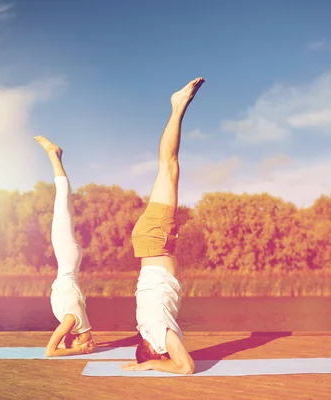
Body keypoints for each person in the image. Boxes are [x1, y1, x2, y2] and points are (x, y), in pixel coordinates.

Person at [121, 77, 205, 374]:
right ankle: (178, 107)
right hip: (156, 243)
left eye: (161, 358)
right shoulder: (149, 328)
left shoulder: (157, 331)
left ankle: (177, 106)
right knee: (169, 169)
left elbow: (185, 368)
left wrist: (148, 368)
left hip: (155, 239)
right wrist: (143, 362)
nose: (168, 355)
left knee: (168, 167)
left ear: (155, 352)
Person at [35, 135, 95, 357]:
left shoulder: (71, 320)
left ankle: (55, 155)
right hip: (68, 260)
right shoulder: (75, 321)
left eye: (88, 344)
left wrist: (77, 350)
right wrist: (76, 347)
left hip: (69, 260)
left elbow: (50, 352)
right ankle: (54, 156)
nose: (92, 344)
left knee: (64, 204)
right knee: (62, 204)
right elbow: (57, 347)